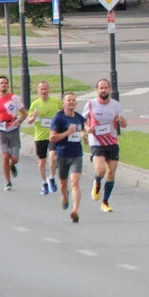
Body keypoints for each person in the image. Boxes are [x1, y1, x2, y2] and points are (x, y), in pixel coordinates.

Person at [84, 78, 127, 213]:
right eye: (101, 88)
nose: (103, 90)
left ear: (109, 89)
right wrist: (87, 129)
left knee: (111, 173)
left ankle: (105, 202)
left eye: (106, 88)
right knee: (101, 169)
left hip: (112, 141)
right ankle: (97, 182)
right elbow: (82, 121)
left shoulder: (115, 105)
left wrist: (122, 121)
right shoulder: (91, 105)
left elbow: (124, 124)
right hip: (96, 141)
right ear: (97, 90)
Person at [50, 92, 88, 223]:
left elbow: (82, 128)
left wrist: (84, 135)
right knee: (62, 183)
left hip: (76, 153)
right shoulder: (58, 118)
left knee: (75, 181)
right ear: (63, 103)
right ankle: (64, 196)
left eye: (73, 100)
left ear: (76, 103)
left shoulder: (79, 118)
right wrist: (67, 132)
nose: (71, 102)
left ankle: (75, 210)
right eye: (69, 100)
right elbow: (52, 137)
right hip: (62, 154)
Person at [0, 76, 27, 191]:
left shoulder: (14, 98)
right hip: (1, 130)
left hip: (13, 129)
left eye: (5, 83)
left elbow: (24, 113)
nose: (3, 85)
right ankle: (8, 182)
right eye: (1, 83)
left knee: (14, 158)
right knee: (5, 156)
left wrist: (18, 121)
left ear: (8, 86)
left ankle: (12, 165)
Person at [27, 81, 63, 196]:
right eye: (41, 89)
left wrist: (59, 115)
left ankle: (51, 177)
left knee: (53, 157)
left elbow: (64, 113)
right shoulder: (35, 104)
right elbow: (29, 121)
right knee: (42, 161)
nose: (44, 91)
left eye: (45, 89)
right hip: (40, 136)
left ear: (49, 90)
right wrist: (33, 116)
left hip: (53, 135)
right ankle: (44, 183)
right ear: (38, 91)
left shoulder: (56, 102)